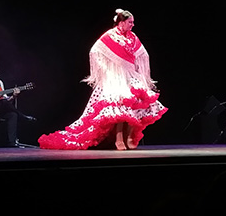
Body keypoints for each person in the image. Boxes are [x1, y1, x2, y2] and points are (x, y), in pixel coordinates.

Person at [38, 9, 167, 150]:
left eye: (133, 22)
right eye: (130, 22)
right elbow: (95, 51)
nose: (132, 25)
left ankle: (129, 137)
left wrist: (138, 69)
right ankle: (119, 139)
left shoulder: (133, 37)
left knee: (139, 102)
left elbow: (143, 54)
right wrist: (107, 70)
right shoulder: (110, 35)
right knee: (119, 106)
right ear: (121, 22)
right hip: (117, 77)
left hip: (130, 75)